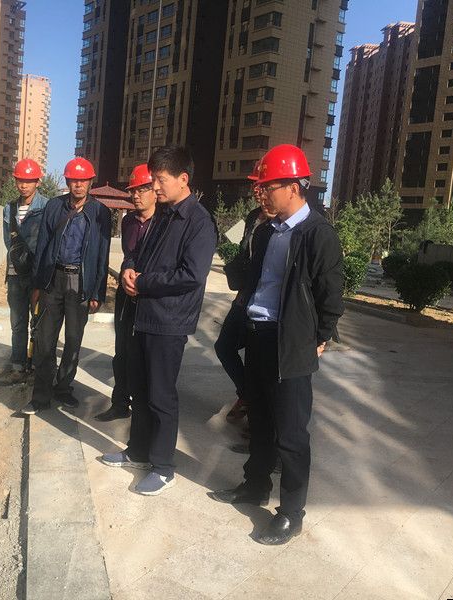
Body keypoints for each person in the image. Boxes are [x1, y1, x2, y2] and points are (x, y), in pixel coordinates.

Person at [208, 144, 344, 545]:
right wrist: (241, 242)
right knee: (261, 421)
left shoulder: (317, 234)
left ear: (294, 187)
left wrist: (319, 338)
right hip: (258, 336)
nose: (262, 193)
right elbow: (247, 279)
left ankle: (291, 513)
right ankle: (254, 486)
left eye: (268, 186)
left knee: (291, 434)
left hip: (291, 346)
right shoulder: (267, 231)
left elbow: (331, 295)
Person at [100, 146, 217, 496]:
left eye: (160, 180)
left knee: (161, 396)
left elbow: (192, 275)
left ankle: (164, 467)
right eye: (153, 179)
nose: (155, 186)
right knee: (139, 388)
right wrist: (128, 270)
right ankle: (138, 451)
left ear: (183, 179)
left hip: (170, 320)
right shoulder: (164, 215)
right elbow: (137, 253)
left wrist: (145, 283)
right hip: (144, 315)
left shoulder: (199, 222)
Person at [20, 157, 111, 415]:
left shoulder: (100, 212)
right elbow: (42, 247)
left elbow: (102, 255)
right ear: (67, 181)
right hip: (53, 279)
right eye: (73, 180)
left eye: (83, 180)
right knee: (44, 340)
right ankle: (40, 397)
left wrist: (97, 292)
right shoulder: (54, 206)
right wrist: (37, 284)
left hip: (80, 283)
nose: (78, 185)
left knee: (73, 340)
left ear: (90, 182)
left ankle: (63, 389)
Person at [215, 158, 276, 425]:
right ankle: (248, 395)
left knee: (256, 360)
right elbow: (244, 252)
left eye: (262, 185)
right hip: (244, 297)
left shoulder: (281, 223)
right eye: (255, 186)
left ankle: (258, 414)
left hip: (265, 304)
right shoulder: (253, 217)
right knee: (224, 347)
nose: (257, 191)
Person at [95, 164, 157, 422]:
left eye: (142, 189)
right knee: (121, 351)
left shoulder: (164, 223)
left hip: (150, 296)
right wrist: (127, 271)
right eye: (133, 190)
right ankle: (120, 403)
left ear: (155, 190)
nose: (136, 195)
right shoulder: (129, 221)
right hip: (126, 295)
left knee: (146, 356)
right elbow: (129, 254)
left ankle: (148, 408)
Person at [0, 158, 48, 385]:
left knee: (39, 323)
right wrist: (20, 260)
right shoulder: (9, 208)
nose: (24, 185)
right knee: (18, 323)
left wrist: (39, 274)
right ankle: (18, 366)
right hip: (16, 275)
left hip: (37, 276)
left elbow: (47, 242)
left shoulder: (46, 207)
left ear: (38, 182)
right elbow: (9, 241)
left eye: (29, 181)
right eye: (20, 180)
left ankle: (36, 366)